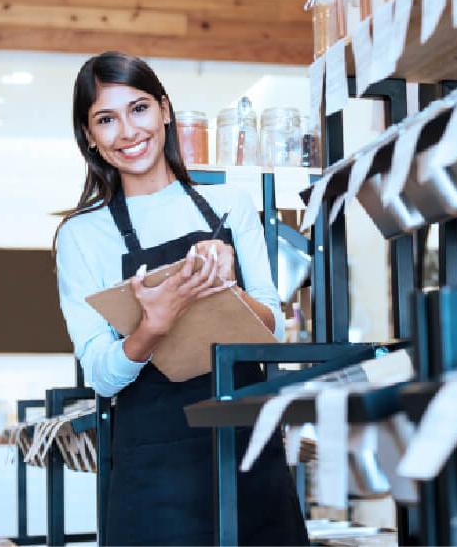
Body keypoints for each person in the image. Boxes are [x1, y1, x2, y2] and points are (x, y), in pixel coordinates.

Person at [54, 51, 309, 546]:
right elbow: (102, 374)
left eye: (139, 109)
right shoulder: (82, 236)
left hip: (246, 454)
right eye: (106, 119)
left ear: (165, 110)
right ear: (90, 136)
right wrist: (152, 326)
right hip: (154, 470)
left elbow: (272, 329)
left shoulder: (228, 205)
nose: (128, 132)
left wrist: (224, 287)